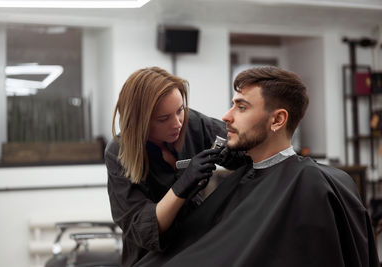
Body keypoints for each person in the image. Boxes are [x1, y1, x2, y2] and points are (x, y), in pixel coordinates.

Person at [135, 66, 379, 267]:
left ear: (277, 120)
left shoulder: (312, 185)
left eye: (241, 107)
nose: (226, 117)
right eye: (233, 105)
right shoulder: (243, 179)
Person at [105, 66, 243, 267]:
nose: (177, 123)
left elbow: (240, 145)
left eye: (180, 110)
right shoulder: (118, 152)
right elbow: (143, 228)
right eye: (163, 119)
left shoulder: (191, 123)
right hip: (151, 259)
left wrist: (234, 149)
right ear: (140, 122)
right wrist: (181, 188)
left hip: (199, 248)